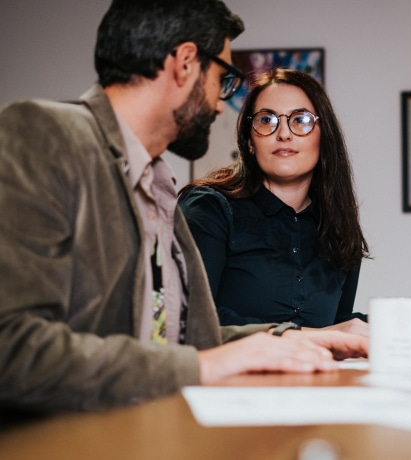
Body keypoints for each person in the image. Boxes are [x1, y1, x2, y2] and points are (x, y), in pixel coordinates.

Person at [0, 0, 368, 415]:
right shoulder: (42, 134)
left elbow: (176, 338)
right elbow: (11, 348)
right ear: (186, 63)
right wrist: (204, 365)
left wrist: (291, 337)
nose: (218, 104)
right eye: (223, 80)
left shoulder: (156, 184)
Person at [179, 69, 370, 336]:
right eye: (267, 119)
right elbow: (190, 320)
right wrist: (311, 337)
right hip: (226, 377)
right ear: (249, 141)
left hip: (318, 378)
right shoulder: (209, 209)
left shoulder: (338, 226)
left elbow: (338, 323)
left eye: (301, 119)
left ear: (324, 137)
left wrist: (410, 325)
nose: (283, 133)